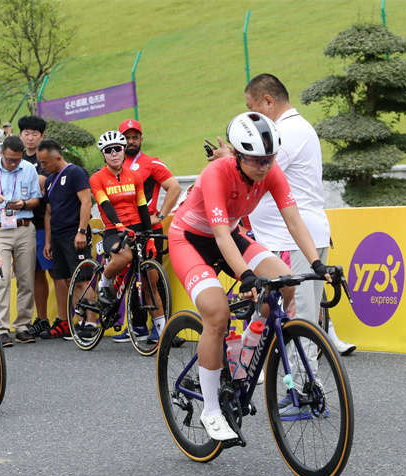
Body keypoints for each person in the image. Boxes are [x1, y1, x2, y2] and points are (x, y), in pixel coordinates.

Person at [170, 112, 332, 441]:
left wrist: (317, 265)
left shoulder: (270, 173)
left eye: (269, 159)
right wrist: (245, 275)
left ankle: (245, 350)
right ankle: (211, 408)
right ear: (239, 155)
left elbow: (294, 222)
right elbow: (218, 234)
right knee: (217, 313)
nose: (263, 167)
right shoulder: (217, 172)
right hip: (190, 239)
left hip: (230, 235)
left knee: (286, 281)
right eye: (256, 161)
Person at [211, 73, 356, 355]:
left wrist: (229, 160)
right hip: (295, 237)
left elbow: (259, 171)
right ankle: (251, 365)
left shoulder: (287, 132)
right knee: (293, 315)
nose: (252, 119)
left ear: (268, 101)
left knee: (298, 322)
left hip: (289, 240)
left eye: (251, 109)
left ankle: (299, 392)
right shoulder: (294, 128)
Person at [111, 119, 181, 343]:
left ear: (141, 139)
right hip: (123, 230)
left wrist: (160, 215)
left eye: (135, 137)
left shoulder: (152, 163)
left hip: (149, 230)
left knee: (151, 276)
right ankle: (137, 325)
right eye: (127, 138)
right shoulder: (113, 165)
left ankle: (163, 328)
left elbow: (175, 187)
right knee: (130, 275)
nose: (131, 141)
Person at [90, 131, 163, 341]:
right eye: (108, 151)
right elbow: (105, 205)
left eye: (118, 149)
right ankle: (104, 282)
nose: (114, 154)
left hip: (137, 227)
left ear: (123, 152)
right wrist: (119, 225)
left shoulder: (135, 176)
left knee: (151, 279)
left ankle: (162, 330)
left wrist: (148, 236)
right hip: (114, 229)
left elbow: (142, 206)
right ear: (103, 155)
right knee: (124, 257)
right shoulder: (97, 178)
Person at [0, 135, 42, 347]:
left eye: (18, 160)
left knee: (26, 279)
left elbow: (36, 199)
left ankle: (22, 326)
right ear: (1, 153)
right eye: (10, 159)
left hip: (24, 228)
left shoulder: (29, 169)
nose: (14, 164)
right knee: (0, 280)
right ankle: (2, 329)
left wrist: (23, 204)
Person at [39, 138, 92, 339]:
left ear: (57, 158)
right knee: (69, 280)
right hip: (58, 237)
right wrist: (48, 241)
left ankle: (91, 323)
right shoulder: (51, 180)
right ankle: (80, 321)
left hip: (74, 235)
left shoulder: (75, 173)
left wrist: (81, 231)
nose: (42, 167)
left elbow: (86, 202)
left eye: (45, 162)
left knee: (83, 280)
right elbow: (49, 213)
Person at [17, 115, 53, 337]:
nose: (30, 138)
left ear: (42, 136)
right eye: (26, 133)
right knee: (34, 274)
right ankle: (41, 319)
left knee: (53, 272)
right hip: (21, 224)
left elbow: (43, 184)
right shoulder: (14, 157)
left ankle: (63, 320)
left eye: (35, 134)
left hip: (43, 222)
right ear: (20, 135)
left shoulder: (46, 158)